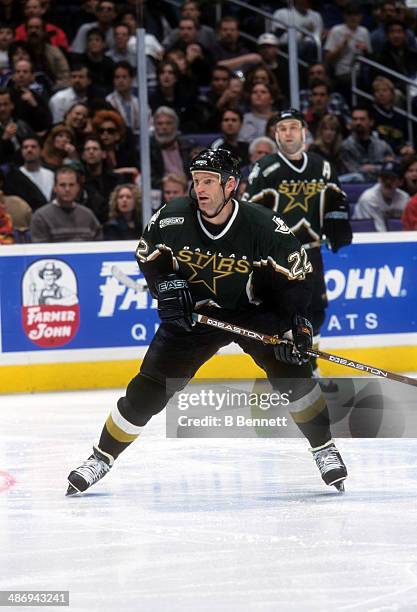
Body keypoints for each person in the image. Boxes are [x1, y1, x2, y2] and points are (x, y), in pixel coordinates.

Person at [66, 148, 348, 496]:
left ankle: (324, 448)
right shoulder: (172, 218)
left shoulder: (263, 226)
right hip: (197, 313)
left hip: (256, 311)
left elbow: (298, 277)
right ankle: (101, 457)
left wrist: (295, 324)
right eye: (196, 181)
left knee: (295, 378)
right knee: (149, 389)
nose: (199, 188)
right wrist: (166, 286)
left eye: (209, 182)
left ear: (231, 185)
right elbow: (147, 256)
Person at [242, 109, 352, 372]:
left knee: (317, 311)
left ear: (304, 131)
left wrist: (339, 221)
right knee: (284, 314)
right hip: (278, 257)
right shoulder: (265, 168)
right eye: (282, 128)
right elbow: (248, 212)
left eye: (293, 127)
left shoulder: (322, 166)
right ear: (275, 134)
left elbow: (337, 199)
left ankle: (311, 364)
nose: (288, 133)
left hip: (312, 253)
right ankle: (284, 369)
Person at [30, 165, 102, 242]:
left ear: (78, 187)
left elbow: (98, 246)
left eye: (71, 185)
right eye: (62, 185)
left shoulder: (88, 216)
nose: (67, 189)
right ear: (54, 188)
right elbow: (41, 250)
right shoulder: (41, 217)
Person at [352, 160, 408, 231]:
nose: (388, 182)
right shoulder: (369, 198)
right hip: (364, 235)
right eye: (384, 178)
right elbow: (378, 230)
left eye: (392, 179)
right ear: (379, 179)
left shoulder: (404, 198)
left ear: (401, 181)